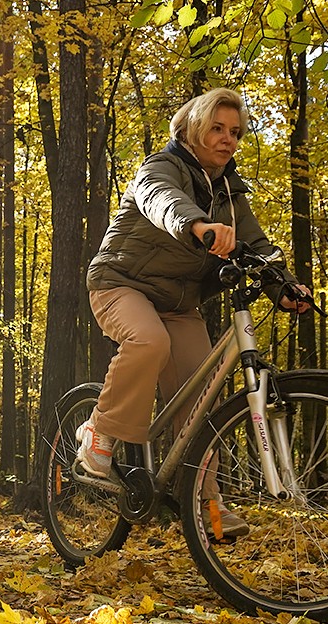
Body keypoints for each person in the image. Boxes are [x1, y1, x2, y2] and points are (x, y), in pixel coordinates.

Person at [79, 87, 310, 537]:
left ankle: (206, 503)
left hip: (180, 303)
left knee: (202, 396)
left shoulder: (229, 191)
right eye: (218, 129)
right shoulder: (160, 167)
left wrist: (281, 286)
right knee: (149, 341)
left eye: (236, 132)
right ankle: (100, 432)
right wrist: (197, 224)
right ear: (192, 128)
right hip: (120, 284)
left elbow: (258, 246)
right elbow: (160, 200)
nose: (228, 139)